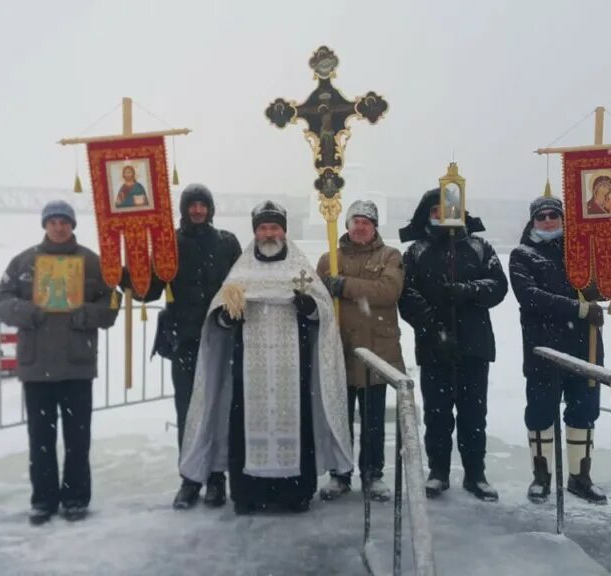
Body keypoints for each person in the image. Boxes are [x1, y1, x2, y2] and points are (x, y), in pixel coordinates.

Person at [178, 200, 353, 515]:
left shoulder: (299, 268)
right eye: (263, 228)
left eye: (274, 227)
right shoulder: (242, 270)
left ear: (283, 231)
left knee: (296, 424)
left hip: (293, 367)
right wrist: (226, 318)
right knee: (245, 426)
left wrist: (310, 309)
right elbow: (218, 317)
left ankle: (295, 494)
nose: (269, 233)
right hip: (249, 370)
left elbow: (324, 315)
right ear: (255, 232)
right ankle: (248, 494)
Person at [0, 200, 120, 525]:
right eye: (53, 222)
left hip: (77, 364)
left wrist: (86, 313)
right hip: (36, 366)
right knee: (41, 439)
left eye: (64, 221)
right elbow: (3, 302)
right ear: (45, 226)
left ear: (72, 225)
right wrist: (27, 311)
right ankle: (43, 500)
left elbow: (111, 303)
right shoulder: (23, 262)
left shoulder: (91, 263)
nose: (59, 227)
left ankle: (76, 497)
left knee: (78, 439)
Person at [124, 184, 242, 510]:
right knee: (188, 411)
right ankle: (190, 478)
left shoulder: (227, 243)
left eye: (203, 205)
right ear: (184, 209)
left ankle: (216, 478)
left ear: (210, 209)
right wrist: (127, 275)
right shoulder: (169, 245)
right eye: (193, 205)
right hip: (185, 341)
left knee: (218, 409)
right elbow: (150, 290)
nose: (198, 210)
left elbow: (241, 285)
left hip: (220, 339)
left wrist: (232, 314)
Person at [398, 189, 508, 502]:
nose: (442, 215)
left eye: (447, 208)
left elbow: (498, 285)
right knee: (437, 414)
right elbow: (407, 295)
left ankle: (476, 474)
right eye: (435, 210)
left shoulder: (479, 246)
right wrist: (434, 329)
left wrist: (468, 290)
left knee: (474, 414)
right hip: (434, 346)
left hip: (475, 344)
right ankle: (438, 471)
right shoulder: (416, 251)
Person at [509, 195, 608, 505]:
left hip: (584, 347)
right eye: (542, 216)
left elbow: (601, 289)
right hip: (543, 348)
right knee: (540, 413)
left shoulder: (580, 252)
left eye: (554, 215)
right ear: (533, 221)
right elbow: (530, 297)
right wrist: (578, 309)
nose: (548, 220)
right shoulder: (523, 255)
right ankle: (541, 477)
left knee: (584, 412)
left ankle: (580, 477)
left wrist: (604, 277)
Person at [315, 200, 405, 503]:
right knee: (338, 418)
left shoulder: (390, 256)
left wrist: (345, 286)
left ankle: (373, 474)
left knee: (373, 420)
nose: (360, 227)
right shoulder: (329, 259)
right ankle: (339, 473)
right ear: (347, 225)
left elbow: (388, 291)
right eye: (355, 221)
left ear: (374, 226)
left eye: (366, 222)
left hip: (375, 350)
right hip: (339, 349)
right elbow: (316, 297)